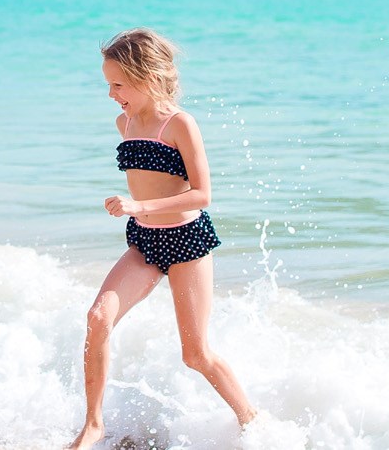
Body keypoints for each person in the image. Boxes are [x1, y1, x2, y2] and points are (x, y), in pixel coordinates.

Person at [71, 28, 258, 449]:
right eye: (108, 84)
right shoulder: (125, 122)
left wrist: (138, 207)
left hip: (187, 241)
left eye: (118, 84)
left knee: (195, 355)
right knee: (98, 318)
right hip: (144, 242)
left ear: (147, 76)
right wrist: (139, 213)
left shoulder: (180, 124)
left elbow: (202, 194)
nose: (111, 94)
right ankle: (93, 424)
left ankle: (252, 421)